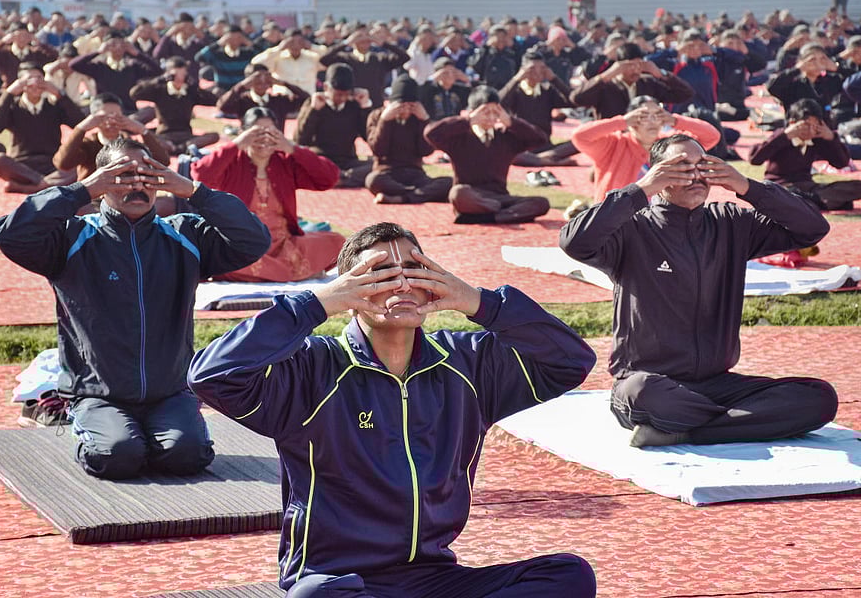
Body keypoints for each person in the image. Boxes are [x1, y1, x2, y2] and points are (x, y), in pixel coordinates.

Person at [188, 221, 598, 598]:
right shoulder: (310, 369)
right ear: (347, 294)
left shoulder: (467, 365)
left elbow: (569, 361)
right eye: (380, 276)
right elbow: (211, 375)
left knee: (568, 575)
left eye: (413, 272)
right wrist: (314, 304)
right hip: (340, 581)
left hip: (436, 579)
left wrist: (477, 301)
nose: (400, 285)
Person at [0, 137, 271, 479]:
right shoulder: (73, 239)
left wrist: (193, 191)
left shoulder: (185, 237)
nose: (137, 185)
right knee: (116, 455)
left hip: (169, 391)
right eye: (123, 175)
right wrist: (82, 190)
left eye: (146, 174)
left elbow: (254, 240)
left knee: (187, 456)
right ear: (103, 180)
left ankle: (150, 436)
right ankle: (77, 419)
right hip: (100, 393)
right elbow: (11, 235)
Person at [559, 134, 838, 448]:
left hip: (716, 383)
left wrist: (747, 186)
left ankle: (686, 430)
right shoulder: (632, 229)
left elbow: (812, 228)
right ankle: (735, 421)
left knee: (818, 399)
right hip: (649, 382)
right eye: (681, 167)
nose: (695, 175)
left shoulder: (731, 223)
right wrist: (641, 189)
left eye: (701, 166)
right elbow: (574, 241)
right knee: (645, 395)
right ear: (656, 175)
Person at [191, 106, 344, 282]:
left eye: (270, 133)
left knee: (337, 242)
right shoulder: (231, 161)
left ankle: (270, 273)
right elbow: (200, 175)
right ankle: (291, 273)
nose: (264, 139)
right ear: (243, 133)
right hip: (241, 246)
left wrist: (292, 148)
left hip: (283, 245)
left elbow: (329, 178)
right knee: (216, 259)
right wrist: (237, 144)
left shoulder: (283, 161)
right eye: (257, 133)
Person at [424, 85, 550, 224]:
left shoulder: (506, 138)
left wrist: (511, 122)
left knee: (541, 203)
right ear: (472, 112)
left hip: (500, 197)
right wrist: (468, 120)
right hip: (471, 197)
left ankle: (490, 217)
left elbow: (540, 139)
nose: (491, 117)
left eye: (495, 112)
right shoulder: (459, 138)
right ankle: (503, 214)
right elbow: (430, 133)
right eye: (485, 112)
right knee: (458, 193)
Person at [570, 95, 720, 205]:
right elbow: (579, 136)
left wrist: (675, 120)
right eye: (644, 116)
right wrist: (622, 121)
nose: (652, 121)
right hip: (618, 219)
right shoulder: (613, 144)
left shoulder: (671, 145)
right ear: (632, 119)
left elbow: (712, 136)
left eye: (657, 115)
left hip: (662, 219)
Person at [749, 98, 861, 210]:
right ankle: (817, 202)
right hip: (781, 187)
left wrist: (831, 138)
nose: (810, 130)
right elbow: (754, 158)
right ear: (793, 123)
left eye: (814, 126)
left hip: (808, 188)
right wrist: (785, 136)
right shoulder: (781, 137)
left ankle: (810, 202)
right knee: (783, 195)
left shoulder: (816, 140)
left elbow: (842, 163)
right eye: (806, 125)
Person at [0, 62, 83, 194]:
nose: (35, 84)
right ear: (20, 84)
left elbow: (79, 123)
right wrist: (9, 93)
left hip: (53, 163)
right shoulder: (13, 107)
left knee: (80, 163)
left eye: (39, 79)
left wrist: (59, 94)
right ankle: (46, 184)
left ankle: (33, 187)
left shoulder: (54, 106)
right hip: (22, 166)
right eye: (29, 80)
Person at [365, 75, 451, 204]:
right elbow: (378, 150)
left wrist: (425, 121)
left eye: (410, 106)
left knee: (449, 182)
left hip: (415, 174)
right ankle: (416, 193)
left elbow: (426, 151)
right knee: (373, 180)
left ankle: (403, 197)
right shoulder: (377, 116)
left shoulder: (418, 118)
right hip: (387, 173)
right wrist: (385, 121)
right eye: (401, 105)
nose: (405, 110)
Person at [294, 63, 373, 188]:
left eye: (346, 94)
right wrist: (314, 111)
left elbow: (369, 137)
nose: (342, 98)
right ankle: (338, 177)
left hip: (347, 161)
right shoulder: (313, 104)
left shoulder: (354, 105)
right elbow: (300, 140)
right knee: (302, 164)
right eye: (338, 94)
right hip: (321, 159)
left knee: (379, 166)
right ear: (326, 87)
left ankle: (339, 178)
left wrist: (365, 108)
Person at [570, 42, 694, 119]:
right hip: (612, 141)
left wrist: (662, 74)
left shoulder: (648, 83)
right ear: (618, 65)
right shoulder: (605, 86)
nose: (635, 70)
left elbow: (685, 94)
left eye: (639, 65)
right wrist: (606, 75)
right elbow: (576, 98)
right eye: (630, 65)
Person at [129, 56, 219, 155]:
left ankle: (179, 148)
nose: (179, 78)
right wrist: (159, 80)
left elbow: (214, 101)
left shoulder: (190, 92)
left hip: (186, 135)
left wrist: (195, 86)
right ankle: (179, 148)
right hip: (164, 135)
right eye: (175, 74)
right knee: (149, 137)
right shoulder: (160, 90)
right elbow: (135, 93)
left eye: (183, 74)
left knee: (214, 136)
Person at [70, 30, 161, 123]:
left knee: (151, 110)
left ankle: (124, 123)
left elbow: (157, 71)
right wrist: (98, 51)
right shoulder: (99, 66)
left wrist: (137, 53)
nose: (118, 48)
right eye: (113, 44)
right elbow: (73, 65)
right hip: (105, 111)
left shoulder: (132, 65)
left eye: (122, 44)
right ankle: (124, 124)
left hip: (129, 111)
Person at [318, 27, 409, 108]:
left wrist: (383, 43)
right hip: (351, 106)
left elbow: (404, 57)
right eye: (359, 36)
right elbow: (324, 59)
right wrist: (346, 43)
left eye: (367, 36)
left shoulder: (380, 58)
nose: (364, 39)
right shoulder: (345, 58)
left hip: (375, 105)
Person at [216, 63, 308, 127]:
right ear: (248, 80)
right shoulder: (243, 101)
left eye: (266, 78)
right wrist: (241, 86)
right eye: (257, 78)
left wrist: (284, 83)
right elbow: (222, 106)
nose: (262, 82)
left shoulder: (279, 100)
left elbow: (306, 100)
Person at [418, 57, 470, 121]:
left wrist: (467, 79)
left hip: (456, 125)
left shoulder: (461, 89)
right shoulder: (430, 90)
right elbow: (420, 91)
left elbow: (476, 94)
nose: (450, 75)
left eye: (453, 72)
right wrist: (433, 78)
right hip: (436, 124)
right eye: (446, 73)